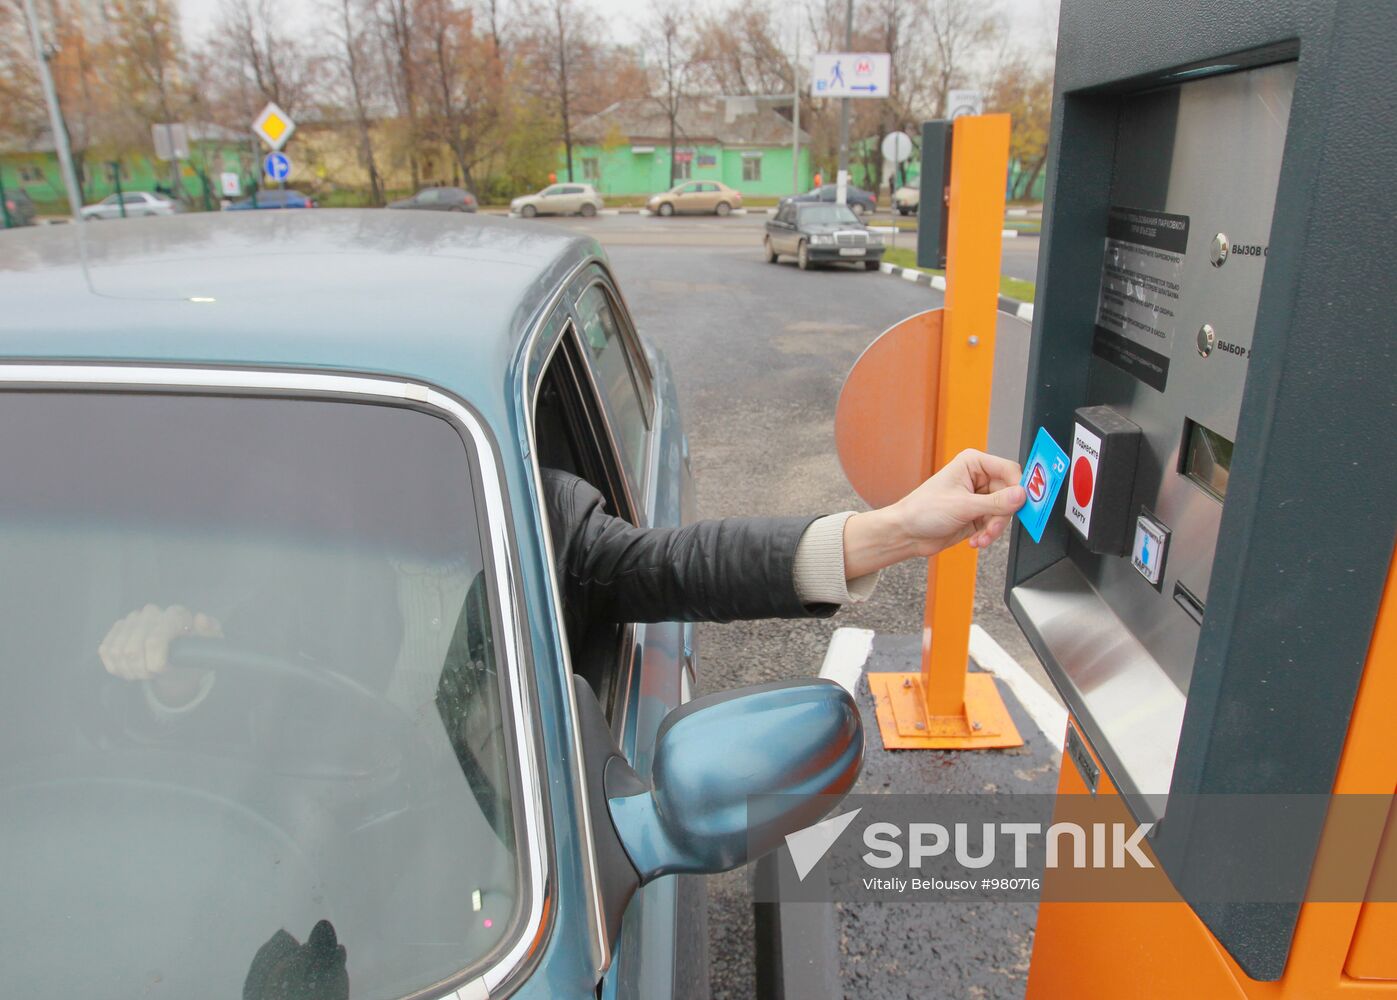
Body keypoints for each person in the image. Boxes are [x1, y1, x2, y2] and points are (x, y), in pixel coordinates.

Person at [98, 448, 1026, 698]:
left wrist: (898, 530)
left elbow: (674, 566)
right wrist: (177, 674)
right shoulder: (297, 556)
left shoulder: (542, 515)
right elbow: (239, 669)